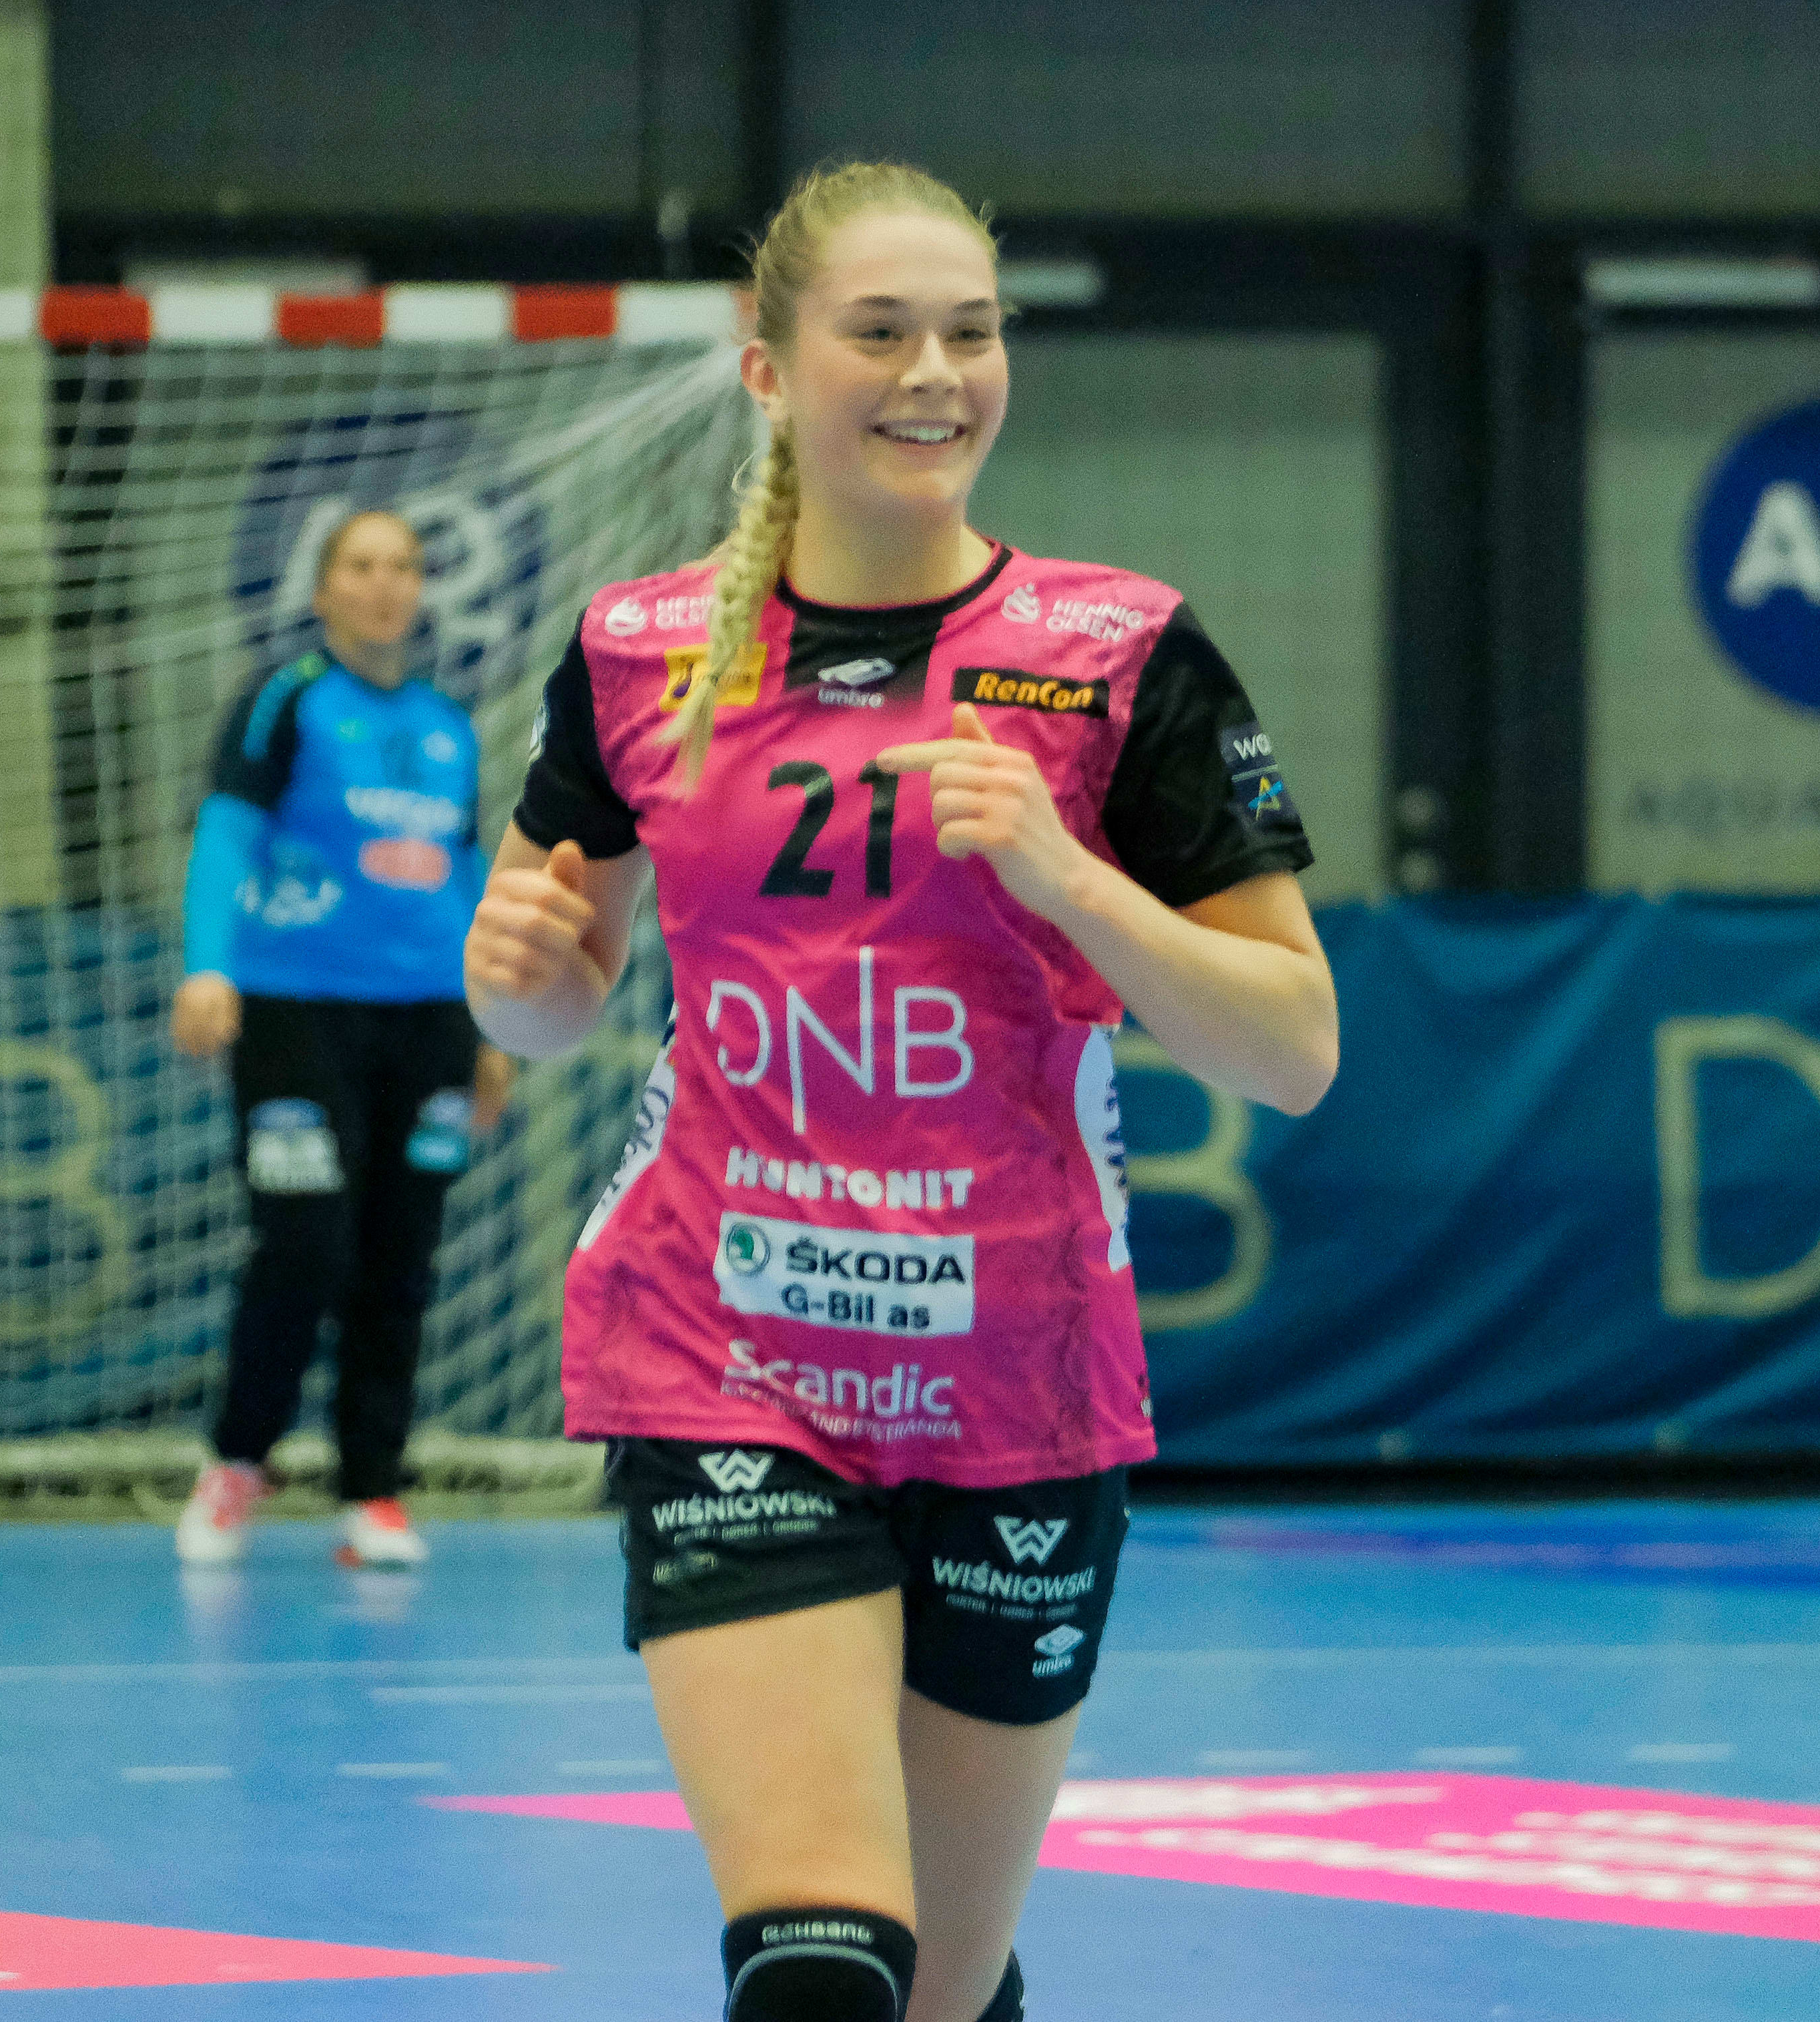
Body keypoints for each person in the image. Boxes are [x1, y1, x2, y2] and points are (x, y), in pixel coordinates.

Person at [465, 163, 1338, 2022]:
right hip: (728, 1354)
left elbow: (1293, 1049)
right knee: (821, 1962)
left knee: (941, 1988)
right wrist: (522, 983)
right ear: (768, 368)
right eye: (881, 332)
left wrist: (1072, 880)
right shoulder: (640, 652)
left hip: (1020, 1384)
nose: (936, 372)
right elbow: (545, 996)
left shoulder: (1121, 656)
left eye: (971, 331)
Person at [172, 507, 513, 1569]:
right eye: (361, 565)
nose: (384, 583)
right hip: (295, 1007)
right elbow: (227, 831)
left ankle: (373, 1491)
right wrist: (208, 964)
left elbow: (464, 876)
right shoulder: (286, 699)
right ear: (322, 590)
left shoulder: (449, 727)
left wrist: (491, 1022)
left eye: (403, 565)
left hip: (430, 1017)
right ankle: (238, 1460)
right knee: (305, 1240)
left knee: (401, 1254)